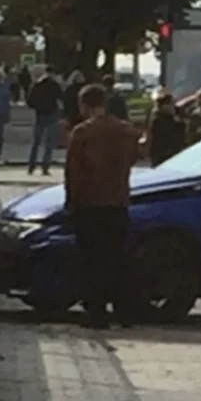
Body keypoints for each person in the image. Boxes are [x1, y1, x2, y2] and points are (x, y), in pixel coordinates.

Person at [65, 84, 143, 329]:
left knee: (92, 259)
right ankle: (124, 311)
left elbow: (74, 173)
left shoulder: (82, 133)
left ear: (84, 105)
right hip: (118, 201)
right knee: (118, 257)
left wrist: (71, 201)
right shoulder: (126, 131)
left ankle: (97, 313)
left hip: (90, 203)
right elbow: (135, 157)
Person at [26, 66, 64, 175]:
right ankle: (45, 166)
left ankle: (31, 166)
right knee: (49, 142)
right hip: (51, 113)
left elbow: (29, 101)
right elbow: (62, 97)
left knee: (36, 142)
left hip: (40, 115)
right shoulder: (54, 85)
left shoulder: (36, 85)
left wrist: (38, 106)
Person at [147, 90, 187, 166]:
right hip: (163, 153)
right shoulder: (158, 119)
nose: (172, 107)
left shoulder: (176, 116)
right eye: (169, 104)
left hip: (176, 152)